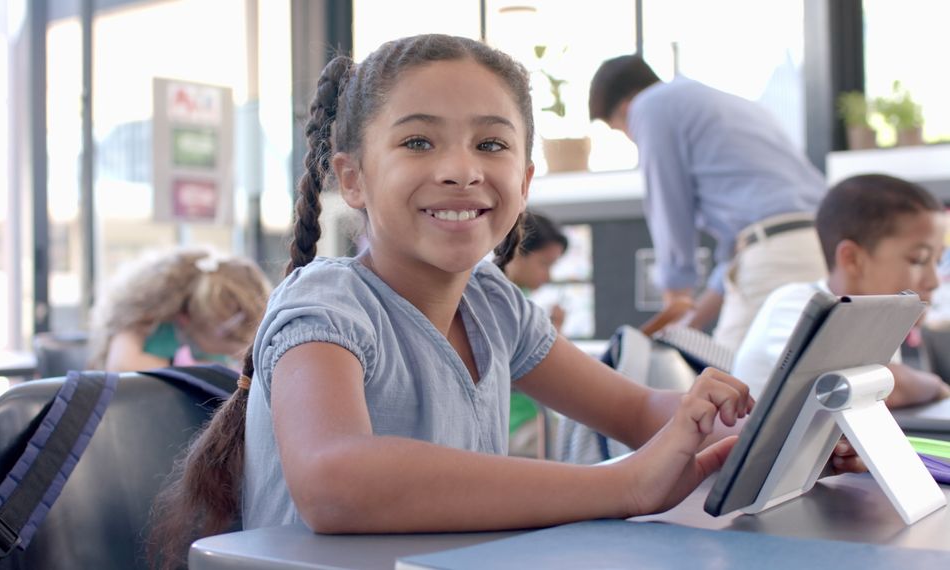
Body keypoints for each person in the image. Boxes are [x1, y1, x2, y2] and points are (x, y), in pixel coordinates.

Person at [149, 34, 859, 569]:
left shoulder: (494, 303)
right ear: (353, 177)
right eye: (419, 141)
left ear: (523, 179)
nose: (461, 170)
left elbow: (638, 411)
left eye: (490, 144)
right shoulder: (325, 303)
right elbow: (336, 482)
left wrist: (786, 435)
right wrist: (620, 486)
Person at [588, 54, 828, 351]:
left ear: (625, 109)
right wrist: (692, 318)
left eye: (621, 131)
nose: (632, 138)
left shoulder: (649, 107)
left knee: (732, 383)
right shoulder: (714, 102)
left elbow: (669, 208)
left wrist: (675, 296)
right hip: (819, 241)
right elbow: (740, 254)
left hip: (774, 253)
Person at [733, 174, 950, 408]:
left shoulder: (878, 324)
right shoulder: (795, 304)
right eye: (919, 259)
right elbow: (850, 387)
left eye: (937, 261)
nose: (934, 281)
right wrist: (936, 386)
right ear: (852, 259)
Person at [87, 246, 270, 372]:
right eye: (227, 333)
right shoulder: (145, 320)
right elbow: (121, 365)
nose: (239, 344)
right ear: (186, 317)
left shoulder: (225, 341)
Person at [503, 211, 569, 457]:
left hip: (531, 418)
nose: (548, 276)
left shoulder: (521, 300)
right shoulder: (503, 301)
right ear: (518, 252)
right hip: (517, 426)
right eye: (545, 264)